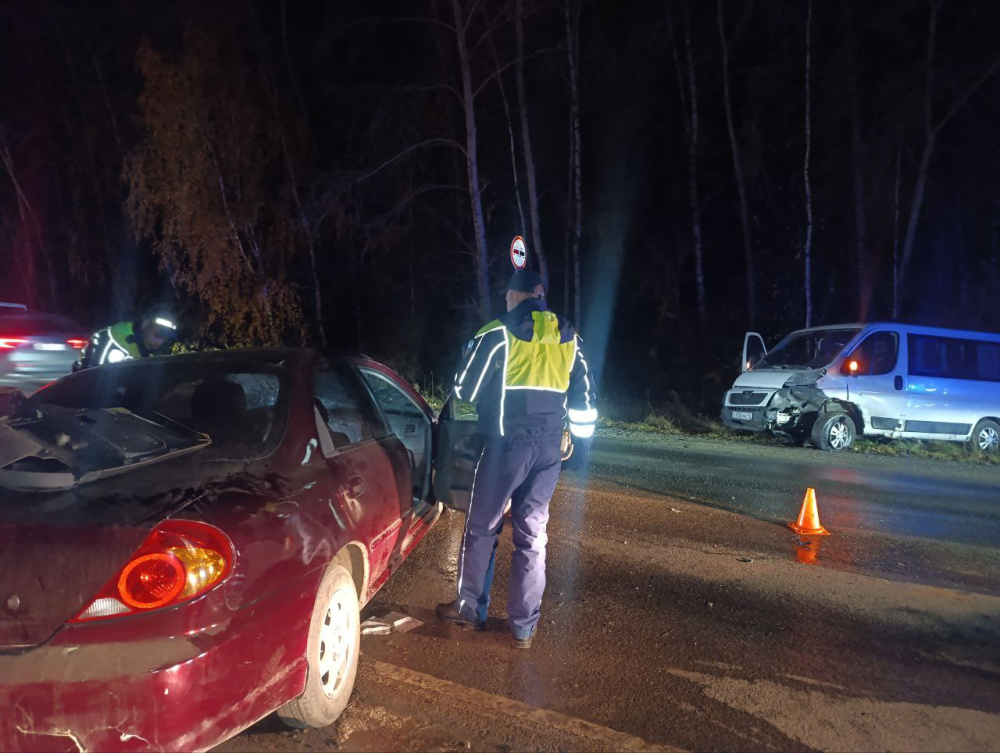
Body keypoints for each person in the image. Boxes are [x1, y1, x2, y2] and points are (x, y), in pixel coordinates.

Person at [436, 268, 598, 648]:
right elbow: (586, 401)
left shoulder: (498, 332)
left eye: (507, 296)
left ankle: (469, 610)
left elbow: (464, 390)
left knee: (482, 528)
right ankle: (524, 626)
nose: (505, 301)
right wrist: (580, 448)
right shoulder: (570, 336)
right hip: (549, 450)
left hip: (507, 443)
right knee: (532, 537)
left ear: (516, 295)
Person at [73, 306, 179, 371]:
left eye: (165, 339)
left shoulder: (151, 352)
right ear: (145, 325)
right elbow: (95, 381)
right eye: (158, 335)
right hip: (84, 393)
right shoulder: (113, 341)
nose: (159, 343)